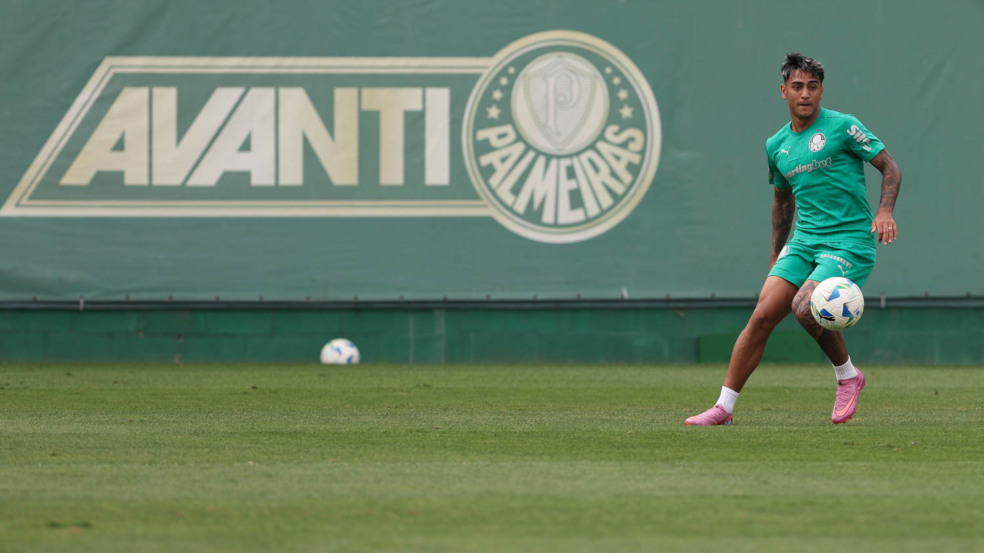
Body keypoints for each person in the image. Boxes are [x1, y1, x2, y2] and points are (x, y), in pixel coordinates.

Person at [686, 52, 902, 426]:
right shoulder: (776, 145)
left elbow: (890, 167)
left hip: (849, 241)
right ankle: (723, 408)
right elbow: (782, 202)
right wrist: (775, 257)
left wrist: (884, 212)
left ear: (821, 92)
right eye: (797, 87)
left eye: (813, 87)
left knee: (805, 305)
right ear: (783, 91)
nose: (805, 94)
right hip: (804, 242)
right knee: (762, 316)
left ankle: (848, 377)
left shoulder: (842, 127)